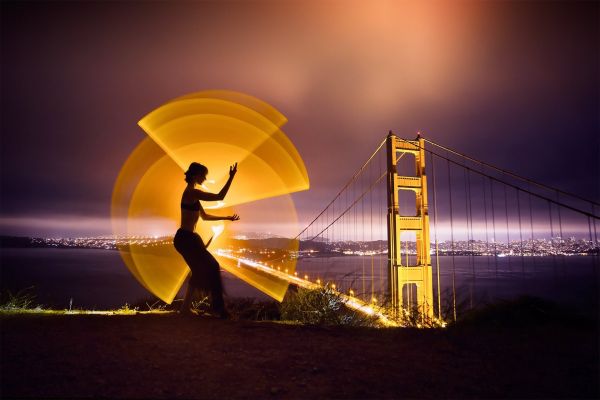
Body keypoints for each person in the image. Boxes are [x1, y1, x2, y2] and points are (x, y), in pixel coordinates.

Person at [173, 161, 240, 318]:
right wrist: (231, 177)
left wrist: (227, 218)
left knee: (197, 271)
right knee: (213, 265)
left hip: (187, 239)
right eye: (204, 175)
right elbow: (220, 196)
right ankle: (219, 309)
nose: (205, 178)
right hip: (186, 239)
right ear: (196, 175)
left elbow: (205, 216)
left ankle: (185, 309)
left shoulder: (192, 195)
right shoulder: (192, 193)